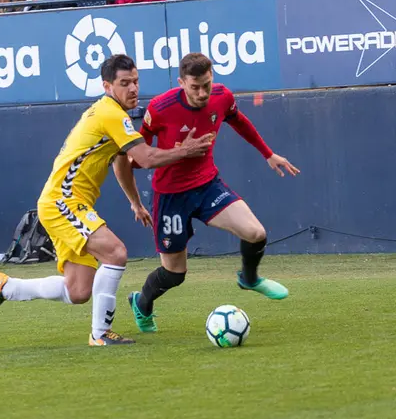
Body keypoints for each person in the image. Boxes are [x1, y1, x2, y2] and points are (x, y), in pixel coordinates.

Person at [0, 54, 215, 346]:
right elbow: (145, 157)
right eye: (124, 83)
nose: (133, 89)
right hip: (62, 200)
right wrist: (185, 150)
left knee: (78, 291)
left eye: (136, 81)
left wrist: (135, 202)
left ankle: (7, 287)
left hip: (65, 202)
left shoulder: (114, 114)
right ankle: (100, 334)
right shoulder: (111, 114)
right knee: (116, 253)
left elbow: (122, 162)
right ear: (107, 86)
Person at [126, 52, 301, 333]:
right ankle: (141, 303)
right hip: (170, 196)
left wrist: (268, 154)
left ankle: (249, 278)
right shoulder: (160, 108)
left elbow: (239, 121)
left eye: (206, 84)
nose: (202, 92)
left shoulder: (222, 96)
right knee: (174, 274)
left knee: (256, 233)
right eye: (195, 87)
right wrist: (179, 153)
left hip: (207, 186)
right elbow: (138, 156)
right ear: (182, 82)